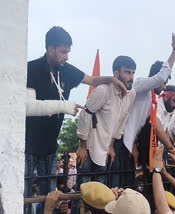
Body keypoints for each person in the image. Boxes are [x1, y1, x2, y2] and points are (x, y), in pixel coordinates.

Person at [25, 26, 127, 199]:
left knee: (51, 197)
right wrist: (64, 106)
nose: (66, 56)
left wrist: (112, 79)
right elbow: (29, 107)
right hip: (29, 146)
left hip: (50, 146)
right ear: (51, 49)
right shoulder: (32, 68)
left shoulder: (66, 70)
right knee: (24, 196)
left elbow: (93, 80)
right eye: (63, 52)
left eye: (68, 52)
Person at [111, 31, 175, 188]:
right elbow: (161, 77)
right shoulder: (141, 85)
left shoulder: (151, 100)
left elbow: (156, 125)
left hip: (127, 145)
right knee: (118, 188)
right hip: (120, 142)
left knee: (127, 187)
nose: (164, 87)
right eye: (163, 83)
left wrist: (169, 147)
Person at [75, 56, 136, 186]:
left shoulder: (131, 95)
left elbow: (121, 123)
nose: (131, 76)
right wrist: (82, 146)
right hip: (89, 148)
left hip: (105, 151)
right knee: (81, 195)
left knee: (100, 195)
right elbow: (85, 114)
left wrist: (111, 146)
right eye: (127, 72)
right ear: (116, 73)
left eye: (133, 73)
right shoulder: (103, 90)